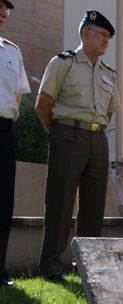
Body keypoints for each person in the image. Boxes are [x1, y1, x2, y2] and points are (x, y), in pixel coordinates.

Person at [35, 10, 120, 280]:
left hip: (98, 139)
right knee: (60, 203)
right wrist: (58, 133)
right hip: (68, 135)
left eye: (109, 36)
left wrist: (94, 129)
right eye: (102, 34)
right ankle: (51, 268)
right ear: (85, 34)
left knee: (94, 207)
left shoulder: (109, 73)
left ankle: (87, 267)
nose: (106, 40)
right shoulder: (64, 63)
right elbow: (43, 104)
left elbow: (110, 110)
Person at [0, 0, 30, 286]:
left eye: (5, 8)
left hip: (4, 130)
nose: (2, 13)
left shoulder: (12, 51)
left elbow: (18, 96)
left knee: (4, 201)